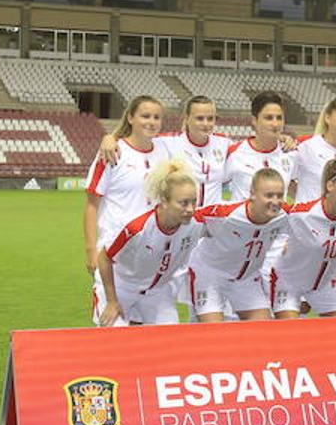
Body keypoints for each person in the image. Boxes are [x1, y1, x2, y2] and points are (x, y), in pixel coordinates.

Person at [94, 158, 203, 326]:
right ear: (164, 202)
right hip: (121, 287)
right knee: (115, 343)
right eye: (183, 203)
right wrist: (112, 301)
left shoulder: (196, 224)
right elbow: (104, 257)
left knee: (169, 342)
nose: (190, 209)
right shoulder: (137, 229)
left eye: (193, 202)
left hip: (156, 292)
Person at [82, 95, 168, 284]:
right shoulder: (112, 152)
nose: (151, 122)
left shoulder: (165, 148)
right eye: (145, 116)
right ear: (130, 118)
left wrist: (110, 136)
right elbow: (91, 206)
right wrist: (91, 251)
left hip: (153, 250)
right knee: (113, 311)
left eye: (156, 117)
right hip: (115, 249)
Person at [186, 167, 290, 323]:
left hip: (246, 278)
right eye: (269, 195)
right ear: (252, 194)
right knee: (212, 333)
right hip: (209, 275)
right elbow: (185, 218)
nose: (275, 201)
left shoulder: (284, 214)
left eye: (279, 195)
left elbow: (308, 219)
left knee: (264, 330)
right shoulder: (225, 214)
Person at [267, 158, 336, 320]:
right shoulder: (302, 215)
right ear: (330, 186)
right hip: (288, 283)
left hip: (324, 285)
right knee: (291, 336)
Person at [101, 96, 231, 207]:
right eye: (200, 118)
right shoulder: (169, 142)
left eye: (210, 118)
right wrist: (110, 138)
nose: (206, 123)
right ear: (187, 119)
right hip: (184, 222)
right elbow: (137, 137)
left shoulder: (225, 144)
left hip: (214, 225)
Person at [223, 91, 297, 202]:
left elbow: (298, 190)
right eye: (268, 118)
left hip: (278, 219)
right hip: (241, 219)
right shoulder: (234, 153)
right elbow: (214, 187)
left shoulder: (291, 153)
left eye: (279, 118)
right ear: (254, 121)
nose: (275, 123)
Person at [290, 97, 336, 203]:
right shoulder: (307, 147)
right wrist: (306, 203)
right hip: (309, 218)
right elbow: (286, 179)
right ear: (327, 118)